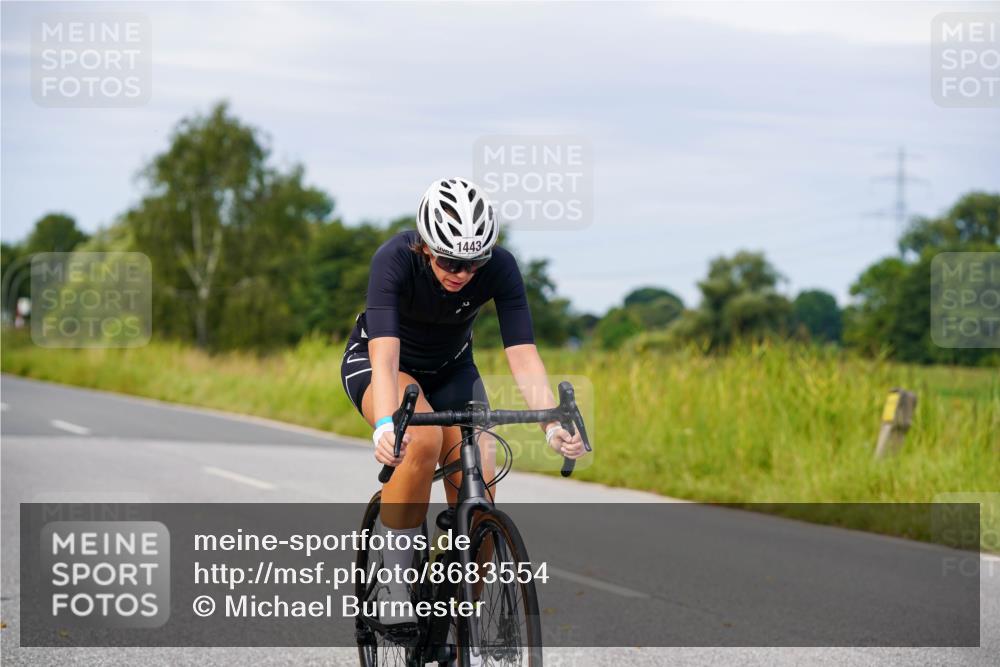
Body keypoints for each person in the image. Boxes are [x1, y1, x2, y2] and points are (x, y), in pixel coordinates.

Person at [340, 177, 587, 630]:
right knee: (421, 441)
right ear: (427, 247)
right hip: (385, 363)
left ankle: (457, 627)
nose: (463, 273)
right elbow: (386, 353)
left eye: (475, 263)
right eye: (451, 261)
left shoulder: (501, 266)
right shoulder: (394, 259)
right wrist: (384, 424)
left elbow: (523, 353)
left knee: (482, 478)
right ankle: (395, 582)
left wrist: (551, 424)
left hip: (453, 369)